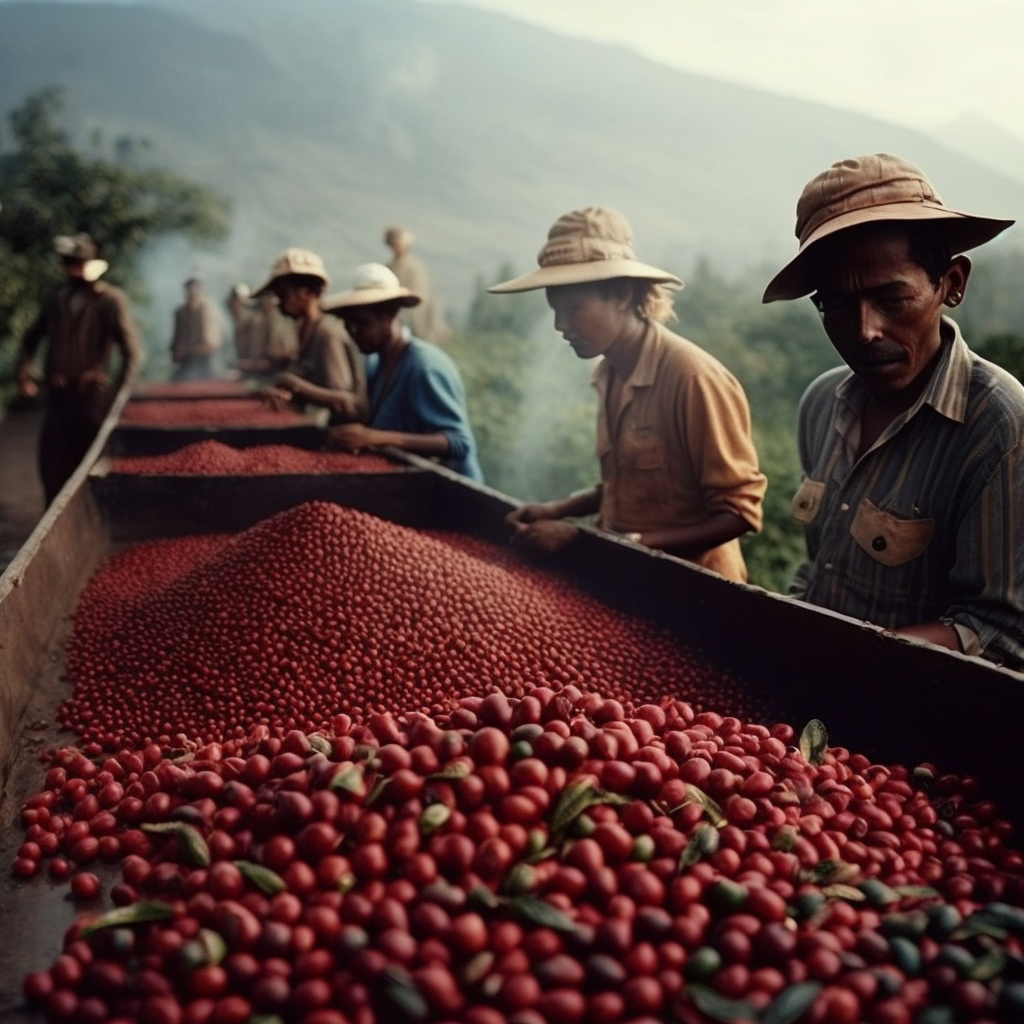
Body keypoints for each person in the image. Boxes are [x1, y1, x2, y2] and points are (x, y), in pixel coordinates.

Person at [763, 152, 1024, 668]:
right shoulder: (821, 403)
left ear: (951, 284)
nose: (864, 332)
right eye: (835, 305)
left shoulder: (999, 426)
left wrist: (851, 655)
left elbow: (1001, 630)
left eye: (892, 299)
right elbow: (822, 567)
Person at [489, 207, 766, 581]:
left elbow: (739, 513)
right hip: (628, 579)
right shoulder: (607, 372)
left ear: (621, 294)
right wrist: (558, 509)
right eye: (555, 310)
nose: (560, 325)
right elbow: (626, 483)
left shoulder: (692, 378)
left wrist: (592, 542)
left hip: (696, 590)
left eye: (574, 309)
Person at [322, 263, 482, 481]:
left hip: (451, 494)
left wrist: (375, 438)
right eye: (348, 326)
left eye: (362, 324)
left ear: (390, 315)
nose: (353, 333)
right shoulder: (374, 363)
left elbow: (459, 443)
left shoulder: (425, 367)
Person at [16, 232, 142, 503]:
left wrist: (120, 396)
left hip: (92, 400)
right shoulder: (55, 297)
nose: (75, 268)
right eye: (70, 262)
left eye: (80, 262)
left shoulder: (109, 300)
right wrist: (26, 371)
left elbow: (131, 352)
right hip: (59, 397)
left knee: (91, 471)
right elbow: (32, 337)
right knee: (53, 470)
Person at [253, 248, 368, 424]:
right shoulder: (305, 331)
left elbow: (345, 404)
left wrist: (292, 383)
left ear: (307, 292)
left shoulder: (327, 334)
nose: (278, 302)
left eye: (283, 294)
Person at [384, 225, 450, 343]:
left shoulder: (414, 267)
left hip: (415, 319)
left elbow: (423, 296)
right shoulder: (389, 267)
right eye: (394, 242)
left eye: (399, 241)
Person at [230, 286, 298, 378]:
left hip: (276, 375)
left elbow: (280, 356)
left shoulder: (278, 320)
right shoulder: (258, 320)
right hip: (260, 374)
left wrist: (251, 365)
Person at [170, 275, 223, 381]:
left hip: (208, 363)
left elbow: (210, 345)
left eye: (194, 291)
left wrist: (186, 349)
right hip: (187, 363)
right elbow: (175, 345)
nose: (191, 294)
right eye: (189, 291)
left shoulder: (207, 310)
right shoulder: (181, 312)